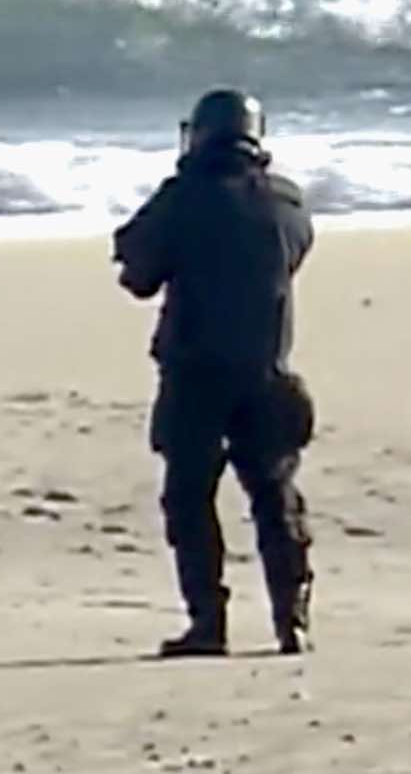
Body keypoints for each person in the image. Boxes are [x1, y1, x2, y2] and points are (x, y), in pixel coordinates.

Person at [113, 88, 317, 658]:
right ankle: (291, 619)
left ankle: (209, 622)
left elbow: (138, 273)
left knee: (189, 498)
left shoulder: (184, 198)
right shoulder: (287, 202)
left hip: (195, 375)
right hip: (266, 372)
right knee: (275, 497)